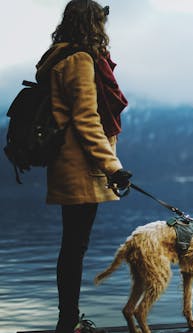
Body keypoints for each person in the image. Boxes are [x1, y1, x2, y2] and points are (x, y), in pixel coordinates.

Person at [35, 1, 132, 332]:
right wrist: (113, 167)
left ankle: (68, 319)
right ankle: (68, 322)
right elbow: (86, 119)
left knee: (72, 245)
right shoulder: (79, 60)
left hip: (71, 163)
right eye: (101, 21)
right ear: (92, 24)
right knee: (74, 247)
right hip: (81, 165)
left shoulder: (60, 56)